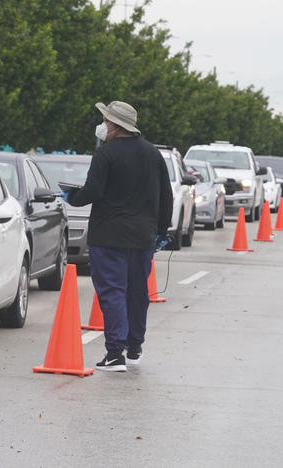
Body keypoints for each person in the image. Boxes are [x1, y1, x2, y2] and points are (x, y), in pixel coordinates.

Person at [63, 101, 172, 372]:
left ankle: (114, 354)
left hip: (109, 236)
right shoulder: (153, 155)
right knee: (137, 292)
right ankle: (134, 347)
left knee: (112, 292)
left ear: (114, 125)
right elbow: (166, 196)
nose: (102, 125)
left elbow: (93, 191)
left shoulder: (106, 154)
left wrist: (72, 197)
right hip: (143, 237)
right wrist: (161, 230)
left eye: (105, 121)